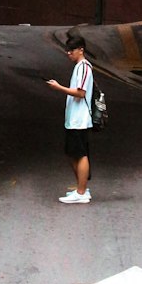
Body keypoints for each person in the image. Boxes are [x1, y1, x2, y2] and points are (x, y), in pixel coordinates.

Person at [46, 32, 93, 204]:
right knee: (73, 153)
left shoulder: (84, 67)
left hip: (79, 120)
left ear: (81, 50)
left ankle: (81, 193)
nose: (68, 53)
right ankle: (82, 189)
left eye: (71, 50)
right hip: (73, 118)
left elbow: (80, 93)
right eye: (67, 50)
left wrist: (59, 88)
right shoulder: (79, 67)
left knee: (80, 154)